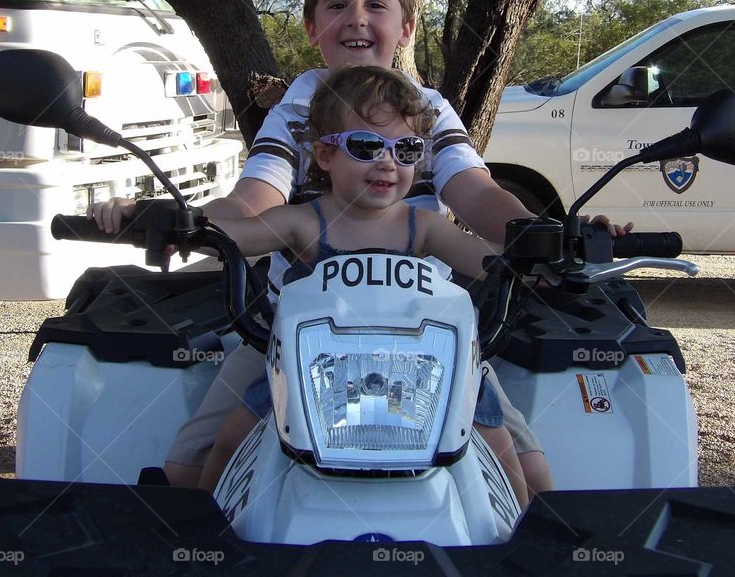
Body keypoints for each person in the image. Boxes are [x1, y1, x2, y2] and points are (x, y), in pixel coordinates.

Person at [90, 0, 629, 499]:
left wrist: (549, 237)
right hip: (290, 332)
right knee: (189, 472)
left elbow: (474, 191)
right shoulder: (297, 111)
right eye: (336, 4)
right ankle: (202, 541)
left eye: (376, 3)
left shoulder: (428, 111)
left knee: (531, 479)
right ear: (311, 26)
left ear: (407, 26)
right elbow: (254, 200)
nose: (356, 18)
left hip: (429, 335)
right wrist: (180, 219)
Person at [195, 64, 531, 507]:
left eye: (406, 149)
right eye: (366, 145)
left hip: (423, 370)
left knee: (504, 451)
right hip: (314, 370)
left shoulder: (424, 227)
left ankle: (524, 532)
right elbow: (233, 234)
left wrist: (557, 243)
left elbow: (494, 262)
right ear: (324, 154)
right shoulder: (302, 223)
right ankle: (199, 530)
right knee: (229, 441)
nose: (387, 162)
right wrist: (163, 221)